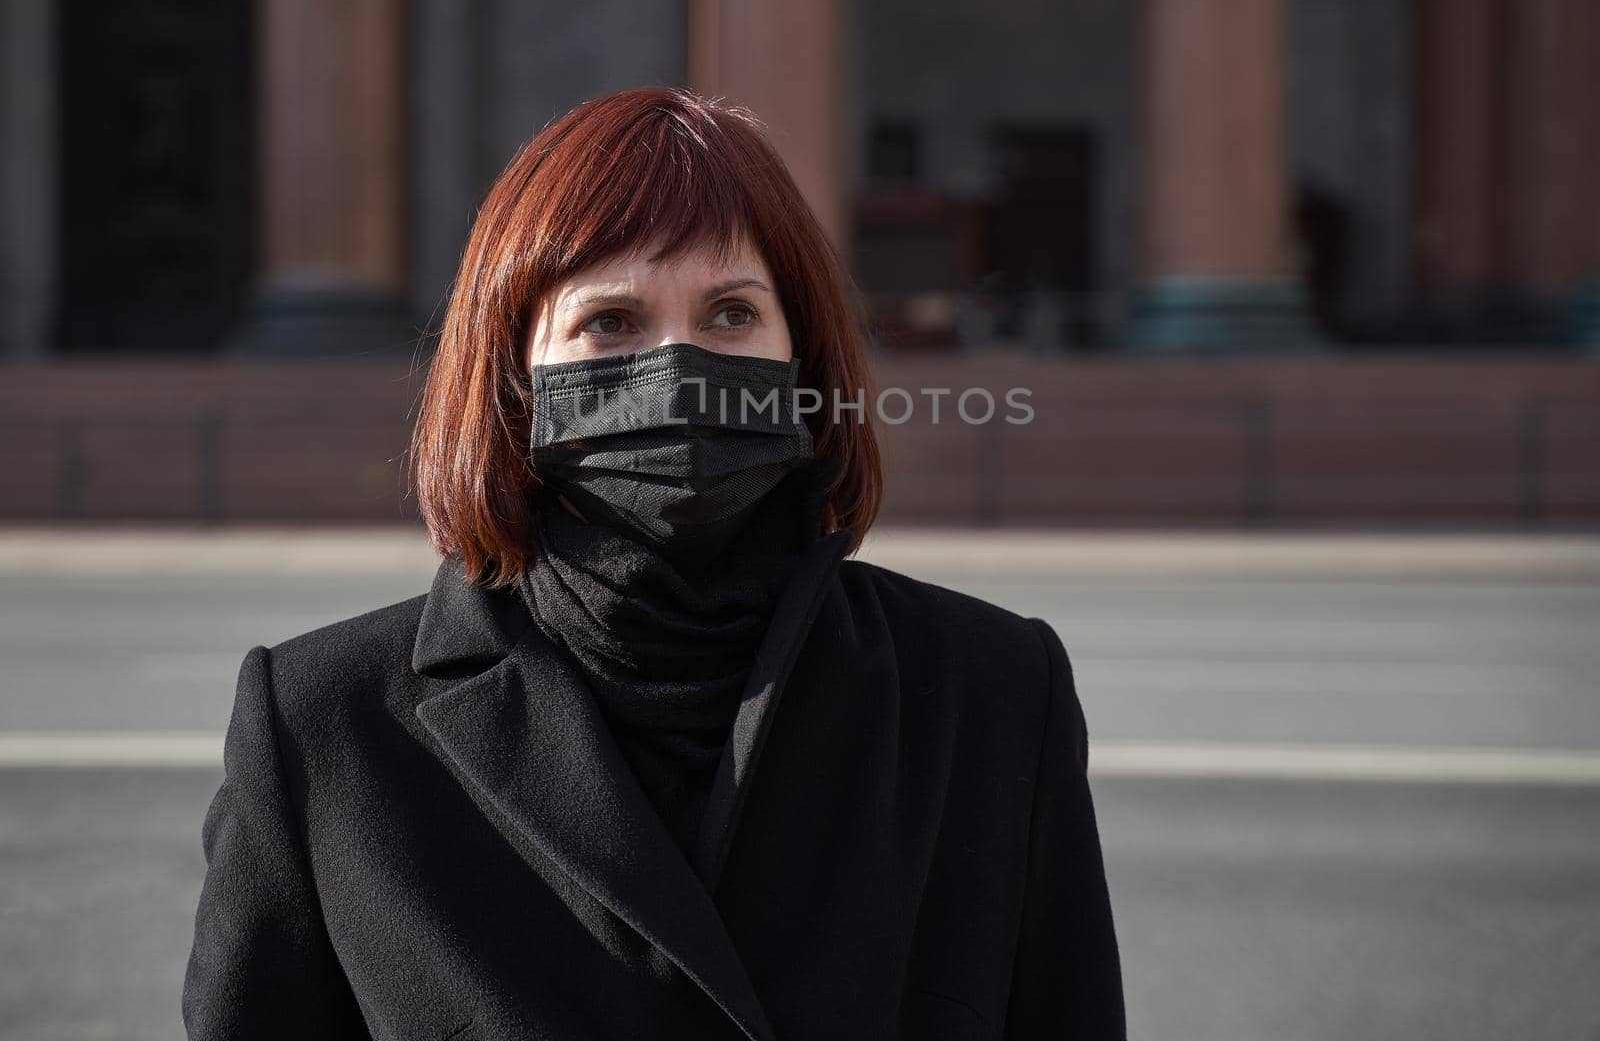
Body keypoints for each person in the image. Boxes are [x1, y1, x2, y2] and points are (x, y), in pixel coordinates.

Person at [182, 86, 1125, 1039]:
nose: (677, 368)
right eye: (611, 322)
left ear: (803, 360)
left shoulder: (994, 694)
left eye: (729, 314)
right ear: (514, 376)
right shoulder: (322, 726)